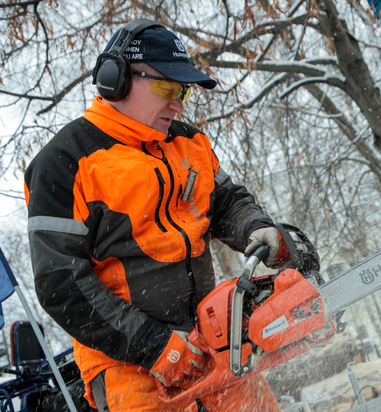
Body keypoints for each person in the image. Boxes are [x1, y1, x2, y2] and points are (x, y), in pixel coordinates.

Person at [24, 19, 290, 412]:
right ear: (118, 79)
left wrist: (256, 227)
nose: (177, 103)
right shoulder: (64, 163)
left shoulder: (187, 142)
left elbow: (225, 201)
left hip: (214, 341)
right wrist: (151, 344)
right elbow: (60, 284)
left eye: (181, 91)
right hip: (128, 367)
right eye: (167, 88)